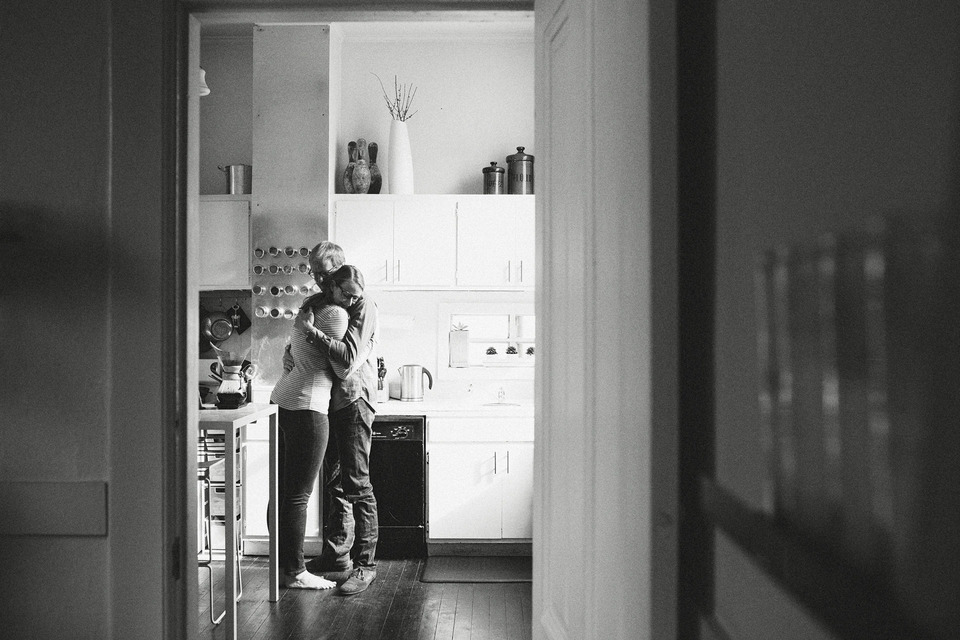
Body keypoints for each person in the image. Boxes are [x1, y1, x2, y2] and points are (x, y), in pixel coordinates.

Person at [295, 264, 380, 595]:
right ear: (330, 286)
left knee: (357, 484)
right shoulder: (327, 301)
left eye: (354, 294)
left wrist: (311, 333)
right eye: (345, 293)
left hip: (355, 401)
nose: (350, 299)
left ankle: (366, 566)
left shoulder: (363, 306)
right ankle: (336, 557)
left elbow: (347, 360)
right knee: (334, 483)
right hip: (333, 403)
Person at [269, 280, 350, 589]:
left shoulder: (309, 308)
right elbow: (342, 369)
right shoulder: (335, 316)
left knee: (282, 493)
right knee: (298, 496)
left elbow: (292, 353)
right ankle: (295, 572)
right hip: (308, 406)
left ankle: (283, 564)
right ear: (339, 289)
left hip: (282, 400)